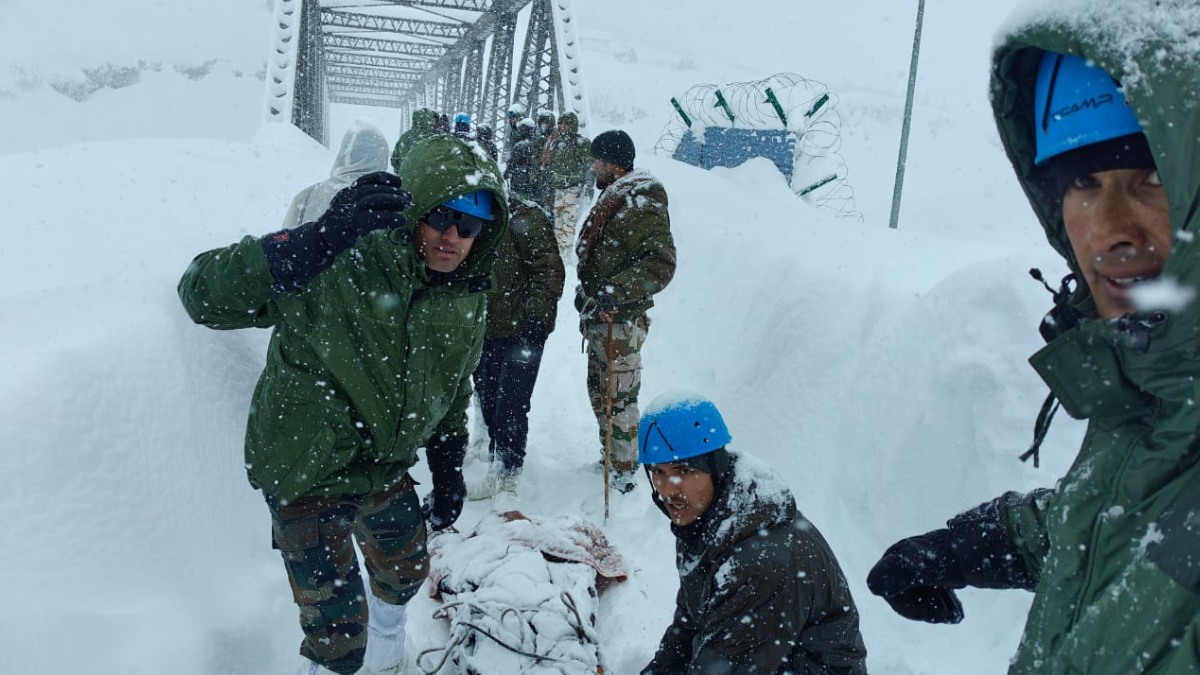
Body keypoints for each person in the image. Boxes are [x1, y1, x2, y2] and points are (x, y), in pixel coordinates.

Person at [866, 6, 1200, 674]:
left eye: (1151, 178)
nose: (1109, 229)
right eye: (1081, 181)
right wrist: (970, 544)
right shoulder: (1154, 390)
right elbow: (1133, 523)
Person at [177, 134, 509, 675]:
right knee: (336, 636)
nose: (453, 237)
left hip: (380, 463)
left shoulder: (465, 295)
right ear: (414, 212)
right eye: (441, 218)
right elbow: (201, 294)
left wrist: (447, 461)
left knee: (406, 571)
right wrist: (306, 244)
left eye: (469, 226)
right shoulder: (342, 260)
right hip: (308, 465)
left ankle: (387, 654)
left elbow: (453, 381)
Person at [637, 395, 868, 674]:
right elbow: (689, 626)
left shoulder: (761, 561)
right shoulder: (706, 520)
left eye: (684, 471)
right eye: (657, 472)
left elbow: (727, 666)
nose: (668, 489)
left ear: (716, 467)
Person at [575, 129, 676, 493]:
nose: (591, 167)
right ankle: (610, 457)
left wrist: (612, 293)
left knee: (618, 398)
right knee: (600, 392)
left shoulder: (642, 200)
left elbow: (660, 264)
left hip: (622, 321)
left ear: (611, 163)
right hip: (603, 319)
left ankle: (623, 472)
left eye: (596, 161)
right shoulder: (620, 197)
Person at [467, 192, 565, 501]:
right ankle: (498, 459)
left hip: (522, 332)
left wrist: (535, 318)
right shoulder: (470, 214)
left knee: (511, 404)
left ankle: (508, 474)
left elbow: (549, 270)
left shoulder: (525, 217)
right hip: (485, 329)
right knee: (487, 398)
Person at [284, 120, 390, 230]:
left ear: (344, 151)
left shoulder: (306, 196)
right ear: (382, 157)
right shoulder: (386, 202)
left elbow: (284, 242)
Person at [538, 110, 592, 260]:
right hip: (558, 187)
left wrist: (587, 185)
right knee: (558, 219)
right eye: (561, 123)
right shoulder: (557, 143)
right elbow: (550, 164)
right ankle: (559, 249)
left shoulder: (581, 143)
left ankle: (566, 253)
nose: (562, 126)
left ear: (572, 125)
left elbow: (589, 166)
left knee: (568, 220)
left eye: (566, 124)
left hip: (573, 187)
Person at [390, 107, 437, 173]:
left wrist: (401, 171)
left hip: (407, 177)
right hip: (427, 178)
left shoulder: (405, 137)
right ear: (430, 121)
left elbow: (394, 159)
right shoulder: (434, 139)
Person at [503, 117, 540, 200]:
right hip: (533, 181)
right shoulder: (538, 144)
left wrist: (507, 172)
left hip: (519, 179)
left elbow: (512, 162)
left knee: (517, 201)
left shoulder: (519, 146)